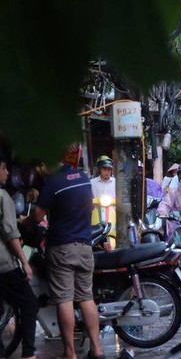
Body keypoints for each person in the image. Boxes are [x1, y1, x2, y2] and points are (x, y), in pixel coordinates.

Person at [28, 148, 105, 359]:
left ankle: (69, 353)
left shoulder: (52, 182)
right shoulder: (83, 178)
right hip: (85, 247)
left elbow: (36, 216)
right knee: (86, 297)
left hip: (62, 248)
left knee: (64, 299)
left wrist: (26, 219)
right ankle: (97, 349)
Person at [0, 157, 38, 359]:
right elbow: (10, 233)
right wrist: (24, 262)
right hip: (4, 265)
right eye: (4, 168)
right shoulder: (2, 196)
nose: (7, 173)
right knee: (29, 303)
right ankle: (29, 354)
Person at [157, 162, 181, 239]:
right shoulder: (174, 192)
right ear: (179, 177)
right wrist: (163, 212)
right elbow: (165, 204)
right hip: (178, 225)